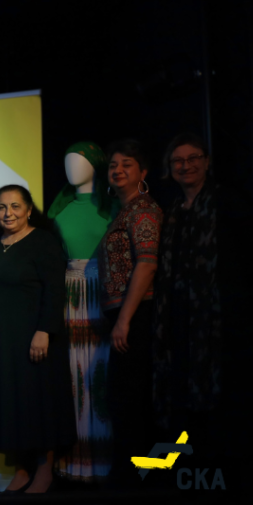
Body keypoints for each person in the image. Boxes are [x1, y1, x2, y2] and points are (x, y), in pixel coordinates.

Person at [151, 132, 253, 470]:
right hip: (180, 318)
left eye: (193, 158)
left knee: (221, 396)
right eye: (178, 161)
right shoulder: (172, 210)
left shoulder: (228, 203)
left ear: (207, 162)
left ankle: (222, 472)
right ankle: (188, 471)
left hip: (221, 320)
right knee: (182, 394)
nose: (186, 166)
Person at [0, 185, 76, 494]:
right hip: (1, 341)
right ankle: (21, 470)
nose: (8, 213)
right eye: (2, 207)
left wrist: (44, 331)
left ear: (29, 210)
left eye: (16, 206)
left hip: (35, 337)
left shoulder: (43, 241)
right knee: (11, 405)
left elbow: (55, 290)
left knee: (38, 402)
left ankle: (45, 471)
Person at [48, 142, 115, 482]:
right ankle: (72, 462)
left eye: (80, 161)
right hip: (69, 297)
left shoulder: (113, 207)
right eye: (67, 162)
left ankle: (105, 461)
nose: (72, 168)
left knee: (99, 373)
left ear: (96, 165)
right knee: (72, 374)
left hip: (102, 295)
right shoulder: (57, 210)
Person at [98, 140, 162, 486]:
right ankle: (127, 484)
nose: (118, 170)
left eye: (127, 164)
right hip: (125, 318)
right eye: (113, 165)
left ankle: (132, 487)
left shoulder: (143, 210)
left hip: (137, 317)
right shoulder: (123, 211)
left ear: (143, 172)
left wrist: (124, 320)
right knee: (122, 401)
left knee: (130, 403)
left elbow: (147, 264)